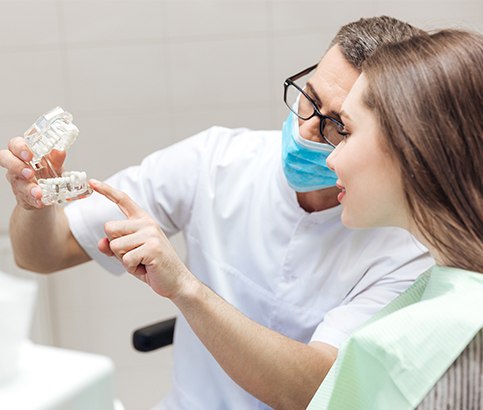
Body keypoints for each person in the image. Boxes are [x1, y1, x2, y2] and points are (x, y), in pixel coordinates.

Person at [0, 17, 433, 410]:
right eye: (309, 98)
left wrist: (186, 288)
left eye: (338, 125)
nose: (305, 129)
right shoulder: (216, 160)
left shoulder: (406, 249)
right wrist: (32, 203)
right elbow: (41, 254)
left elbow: (315, 392)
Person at [306, 29, 483, 409]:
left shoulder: (454, 342)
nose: (331, 157)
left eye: (346, 131)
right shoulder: (444, 283)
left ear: (413, 144)